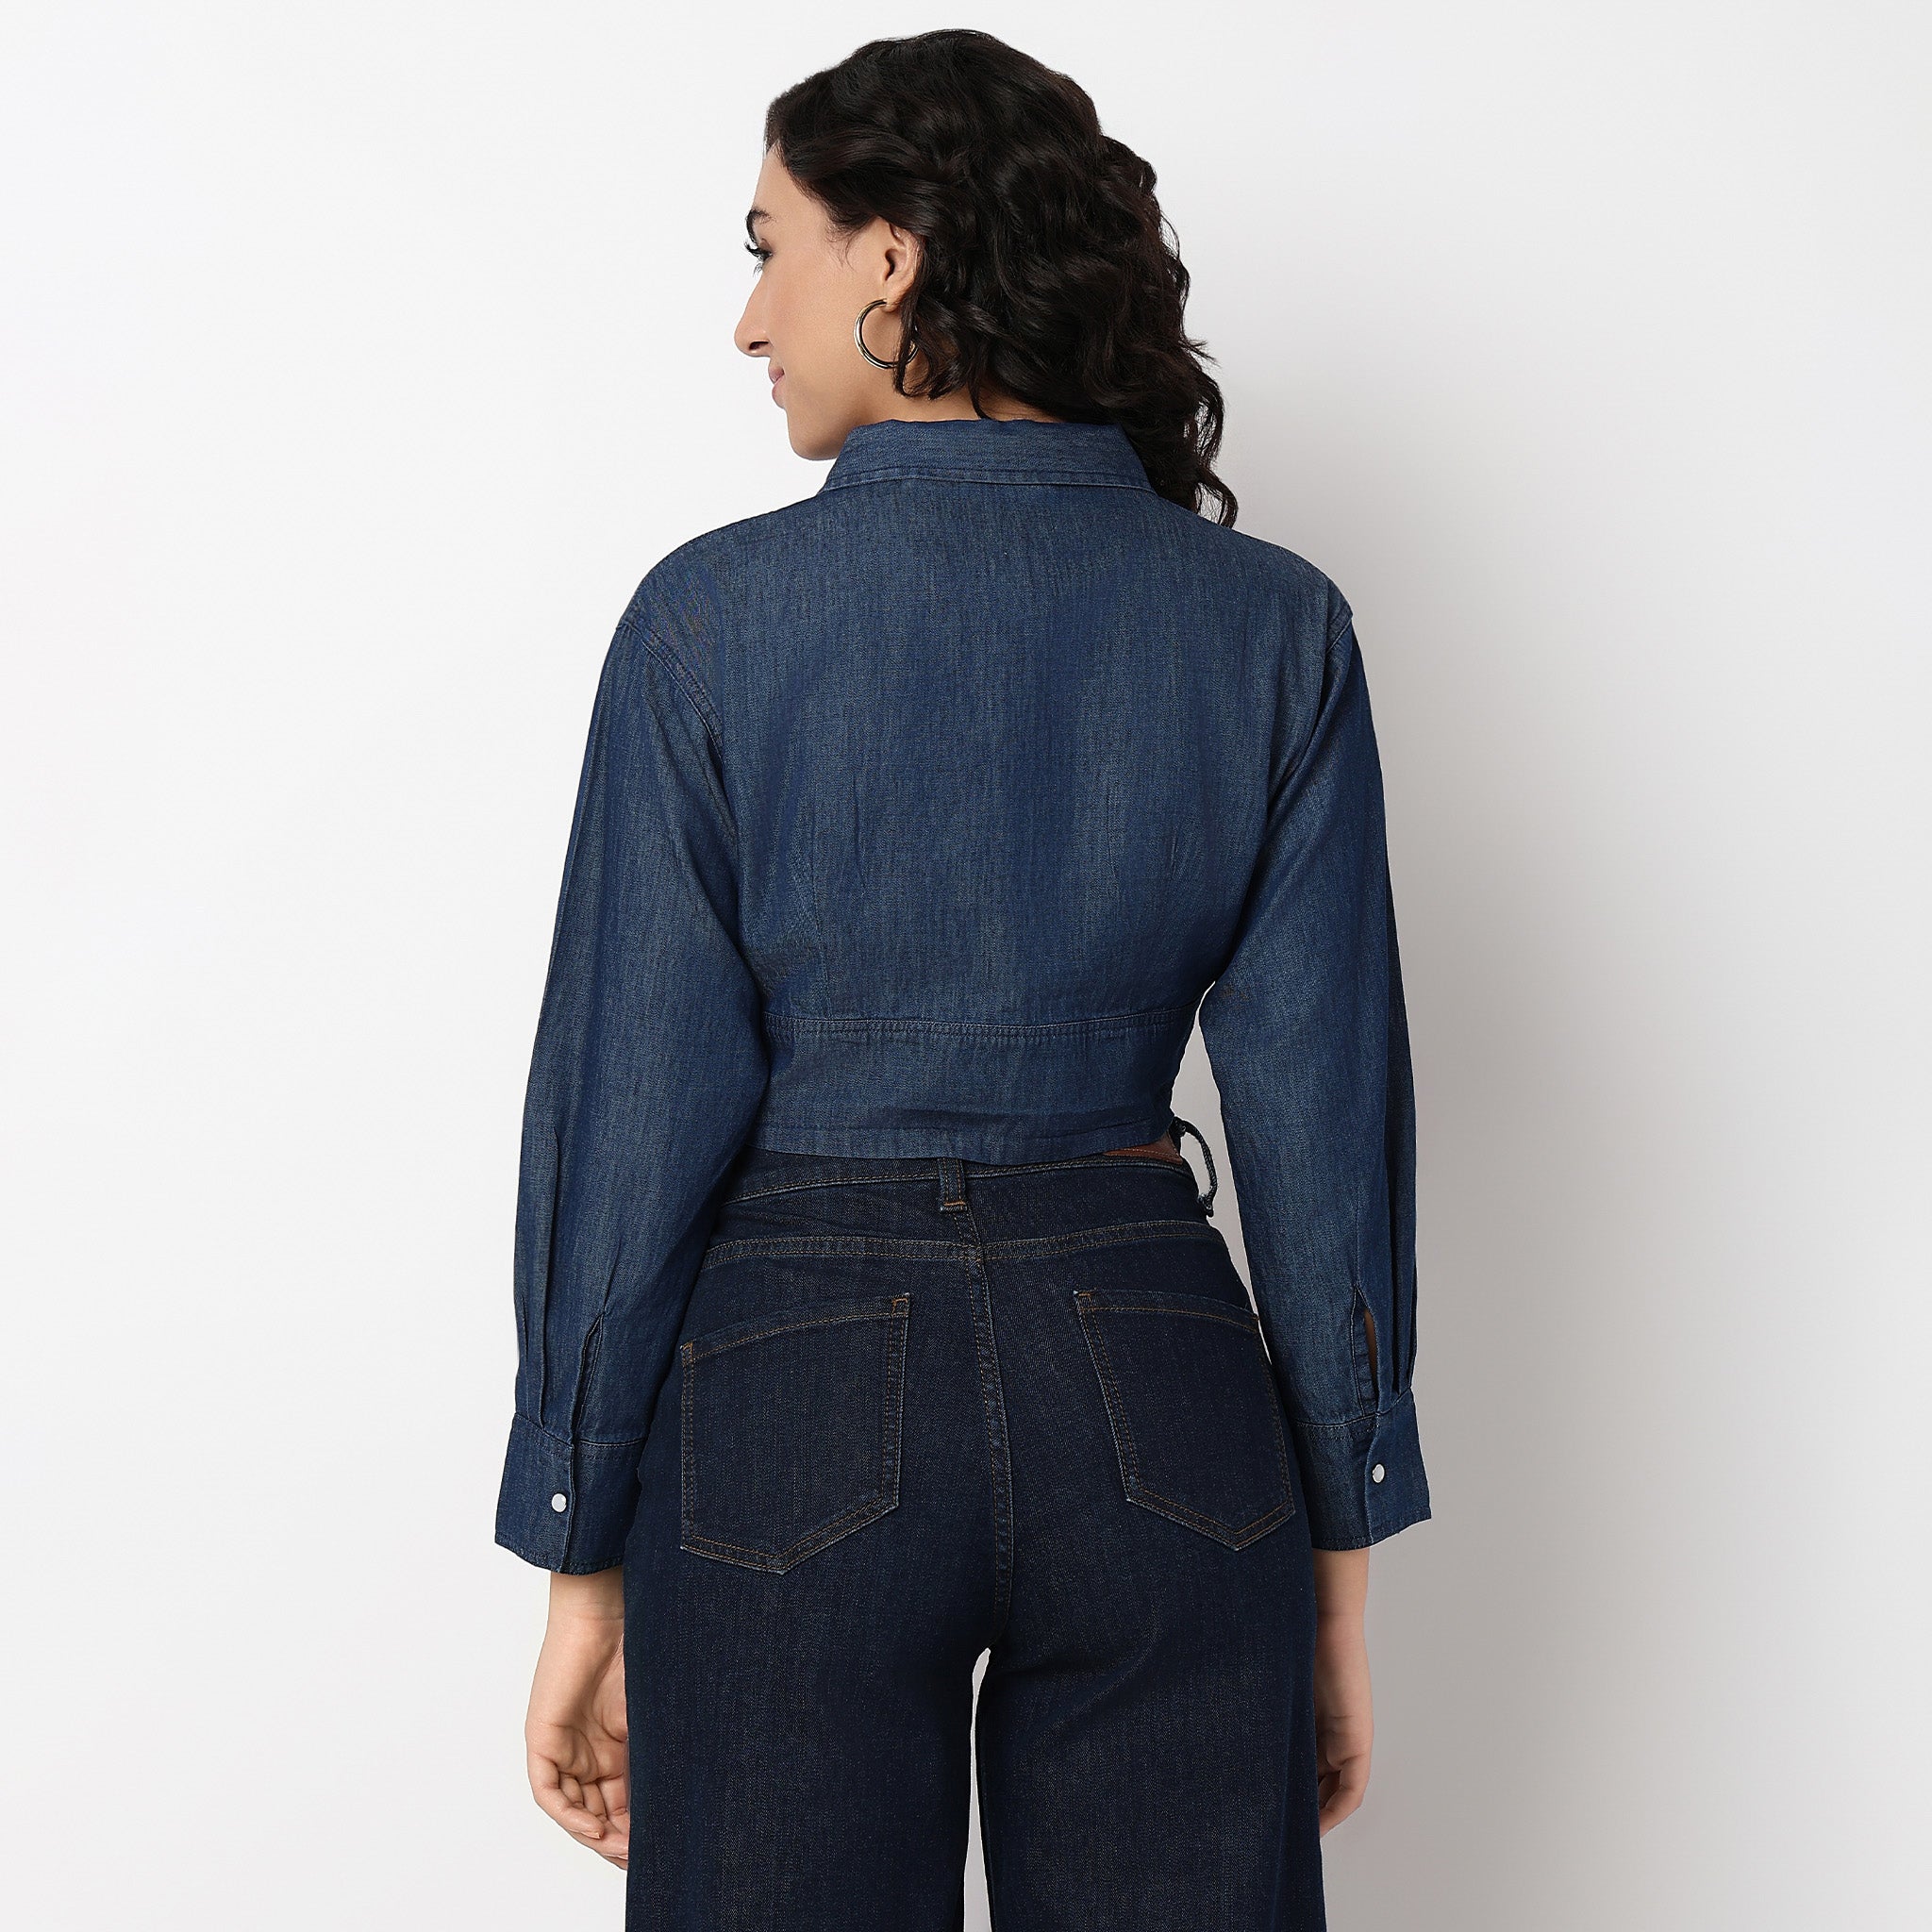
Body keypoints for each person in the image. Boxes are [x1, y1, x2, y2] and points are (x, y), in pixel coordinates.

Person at [496, 29, 1429, 1931]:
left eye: (768, 248)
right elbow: (1321, 1120)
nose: (748, 320)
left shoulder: (708, 622)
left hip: (786, 1403)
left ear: (893, 254)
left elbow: (631, 1113)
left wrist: (580, 1555)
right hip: (1161, 1386)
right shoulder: (1273, 628)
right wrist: (1337, 1561)